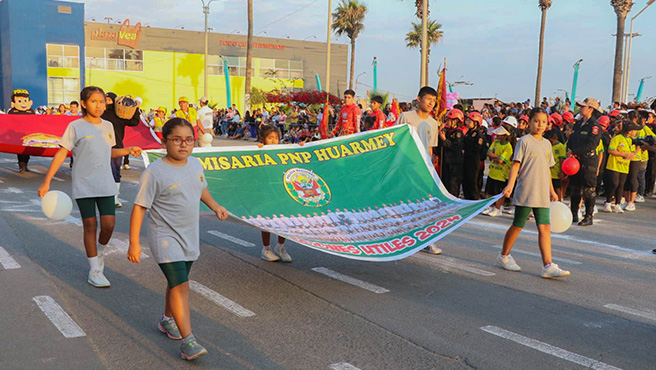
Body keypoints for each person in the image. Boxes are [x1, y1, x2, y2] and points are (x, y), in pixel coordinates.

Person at [128, 118, 227, 360]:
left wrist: (215, 206)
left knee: (176, 283)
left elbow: (200, 188)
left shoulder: (195, 165)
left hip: (189, 236)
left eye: (189, 140)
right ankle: (188, 341)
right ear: (165, 142)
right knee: (182, 285)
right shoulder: (155, 172)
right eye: (177, 140)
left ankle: (167, 320)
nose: (183, 145)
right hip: (165, 238)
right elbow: (140, 207)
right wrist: (134, 242)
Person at [38, 86, 142, 288]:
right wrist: (47, 181)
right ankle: (94, 269)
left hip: (105, 182)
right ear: (84, 104)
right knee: (90, 226)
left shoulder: (108, 126)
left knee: (109, 224)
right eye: (94, 101)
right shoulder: (75, 126)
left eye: (102, 101)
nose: (99, 105)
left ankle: (99, 252)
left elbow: (108, 153)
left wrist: (127, 150)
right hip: (84, 182)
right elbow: (61, 153)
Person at [496, 107, 570, 279]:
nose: (540, 125)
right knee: (518, 225)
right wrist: (510, 186)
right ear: (529, 122)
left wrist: (552, 191)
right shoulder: (524, 141)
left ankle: (548, 265)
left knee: (545, 226)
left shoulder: (546, 144)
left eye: (543, 122)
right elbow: (516, 165)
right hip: (527, 191)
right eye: (536, 121)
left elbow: (547, 170)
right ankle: (504, 255)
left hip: (542, 192)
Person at [396, 86, 441, 255]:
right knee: (403, 205)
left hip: (422, 171)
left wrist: (431, 170)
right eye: (428, 99)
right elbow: (394, 140)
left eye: (434, 101)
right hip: (404, 169)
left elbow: (430, 148)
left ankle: (426, 240)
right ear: (419, 99)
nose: (431, 103)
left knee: (425, 206)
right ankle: (399, 238)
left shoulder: (433, 123)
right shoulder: (405, 117)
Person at [256, 125, 293, 262]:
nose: (274, 141)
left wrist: (301, 147)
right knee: (267, 220)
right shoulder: (259, 151)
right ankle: (266, 249)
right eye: (270, 138)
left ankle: (280, 247)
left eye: (276, 138)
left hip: (280, 190)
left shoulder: (281, 151)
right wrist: (258, 151)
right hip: (266, 192)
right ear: (263, 139)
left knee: (284, 219)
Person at [567, 97, 603, 226]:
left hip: (588, 160)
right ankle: (573, 214)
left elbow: (591, 145)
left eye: (583, 106)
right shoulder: (578, 123)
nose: (581, 108)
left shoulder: (595, 126)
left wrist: (574, 151)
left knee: (588, 190)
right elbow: (571, 138)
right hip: (575, 161)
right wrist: (569, 149)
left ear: (591, 109)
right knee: (574, 188)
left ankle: (588, 216)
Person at [102, 92, 141, 208]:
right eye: (105, 100)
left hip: (116, 147)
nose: (106, 102)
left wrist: (136, 108)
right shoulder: (101, 114)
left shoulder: (119, 115)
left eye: (109, 100)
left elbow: (134, 122)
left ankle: (114, 198)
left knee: (115, 172)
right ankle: (106, 197)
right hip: (101, 146)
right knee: (104, 172)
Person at [603, 121, 639, 213]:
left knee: (620, 185)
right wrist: (622, 154)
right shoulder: (617, 138)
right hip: (614, 165)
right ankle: (608, 202)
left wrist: (635, 152)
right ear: (629, 131)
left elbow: (630, 154)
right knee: (614, 183)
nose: (635, 132)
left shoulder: (630, 140)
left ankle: (617, 204)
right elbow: (611, 150)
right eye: (634, 130)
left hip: (624, 166)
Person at [483, 126, 513, 217]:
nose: (497, 136)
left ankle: (498, 208)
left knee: (499, 193)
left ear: (504, 135)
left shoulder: (508, 147)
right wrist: (497, 156)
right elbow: (488, 153)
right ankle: (491, 206)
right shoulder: (495, 142)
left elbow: (501, 160)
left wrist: (494, 156)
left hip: (501, 174)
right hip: (493, 171)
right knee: (490, 191)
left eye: (499, 134)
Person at [7, 89, 36, 173]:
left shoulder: (31, 111)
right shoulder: (12, 111)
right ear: (13, 103)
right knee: (20, 151)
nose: (23, 103)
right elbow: (9, 122)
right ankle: (21, 165)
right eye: (19, 101)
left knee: (28, 150)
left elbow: (36, 122)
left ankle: (25, 164)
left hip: (28, 134)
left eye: (25, 100)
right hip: (18, 135)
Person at [439, 108, 465, 197]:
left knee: (453, 184)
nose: (447, 122)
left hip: (455, 162)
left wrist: (445, 139)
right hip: (447, 161)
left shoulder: (458, 133)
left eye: (449, 120)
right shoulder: (449, 131)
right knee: (445, 182)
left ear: (455, 121)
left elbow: (456, 146)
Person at [462, 111, 488, 200]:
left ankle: (474, 199)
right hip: (466, 160)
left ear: (476, 123)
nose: (467, 122)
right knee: (465, 181)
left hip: (473, 161)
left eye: (470, 121)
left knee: (473, 181)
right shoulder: (468, 133)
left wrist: (465, 151)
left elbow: (477, 149)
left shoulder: (478, 135)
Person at [545, 129, 566, 200]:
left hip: (556, 171)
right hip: (548, 171)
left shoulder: (560, 146)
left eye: (551, 141)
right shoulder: (547, 146)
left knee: (557, 187)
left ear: (556, 138)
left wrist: (561, 172)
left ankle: (559, 201)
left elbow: (562, 160)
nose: (550, 143)